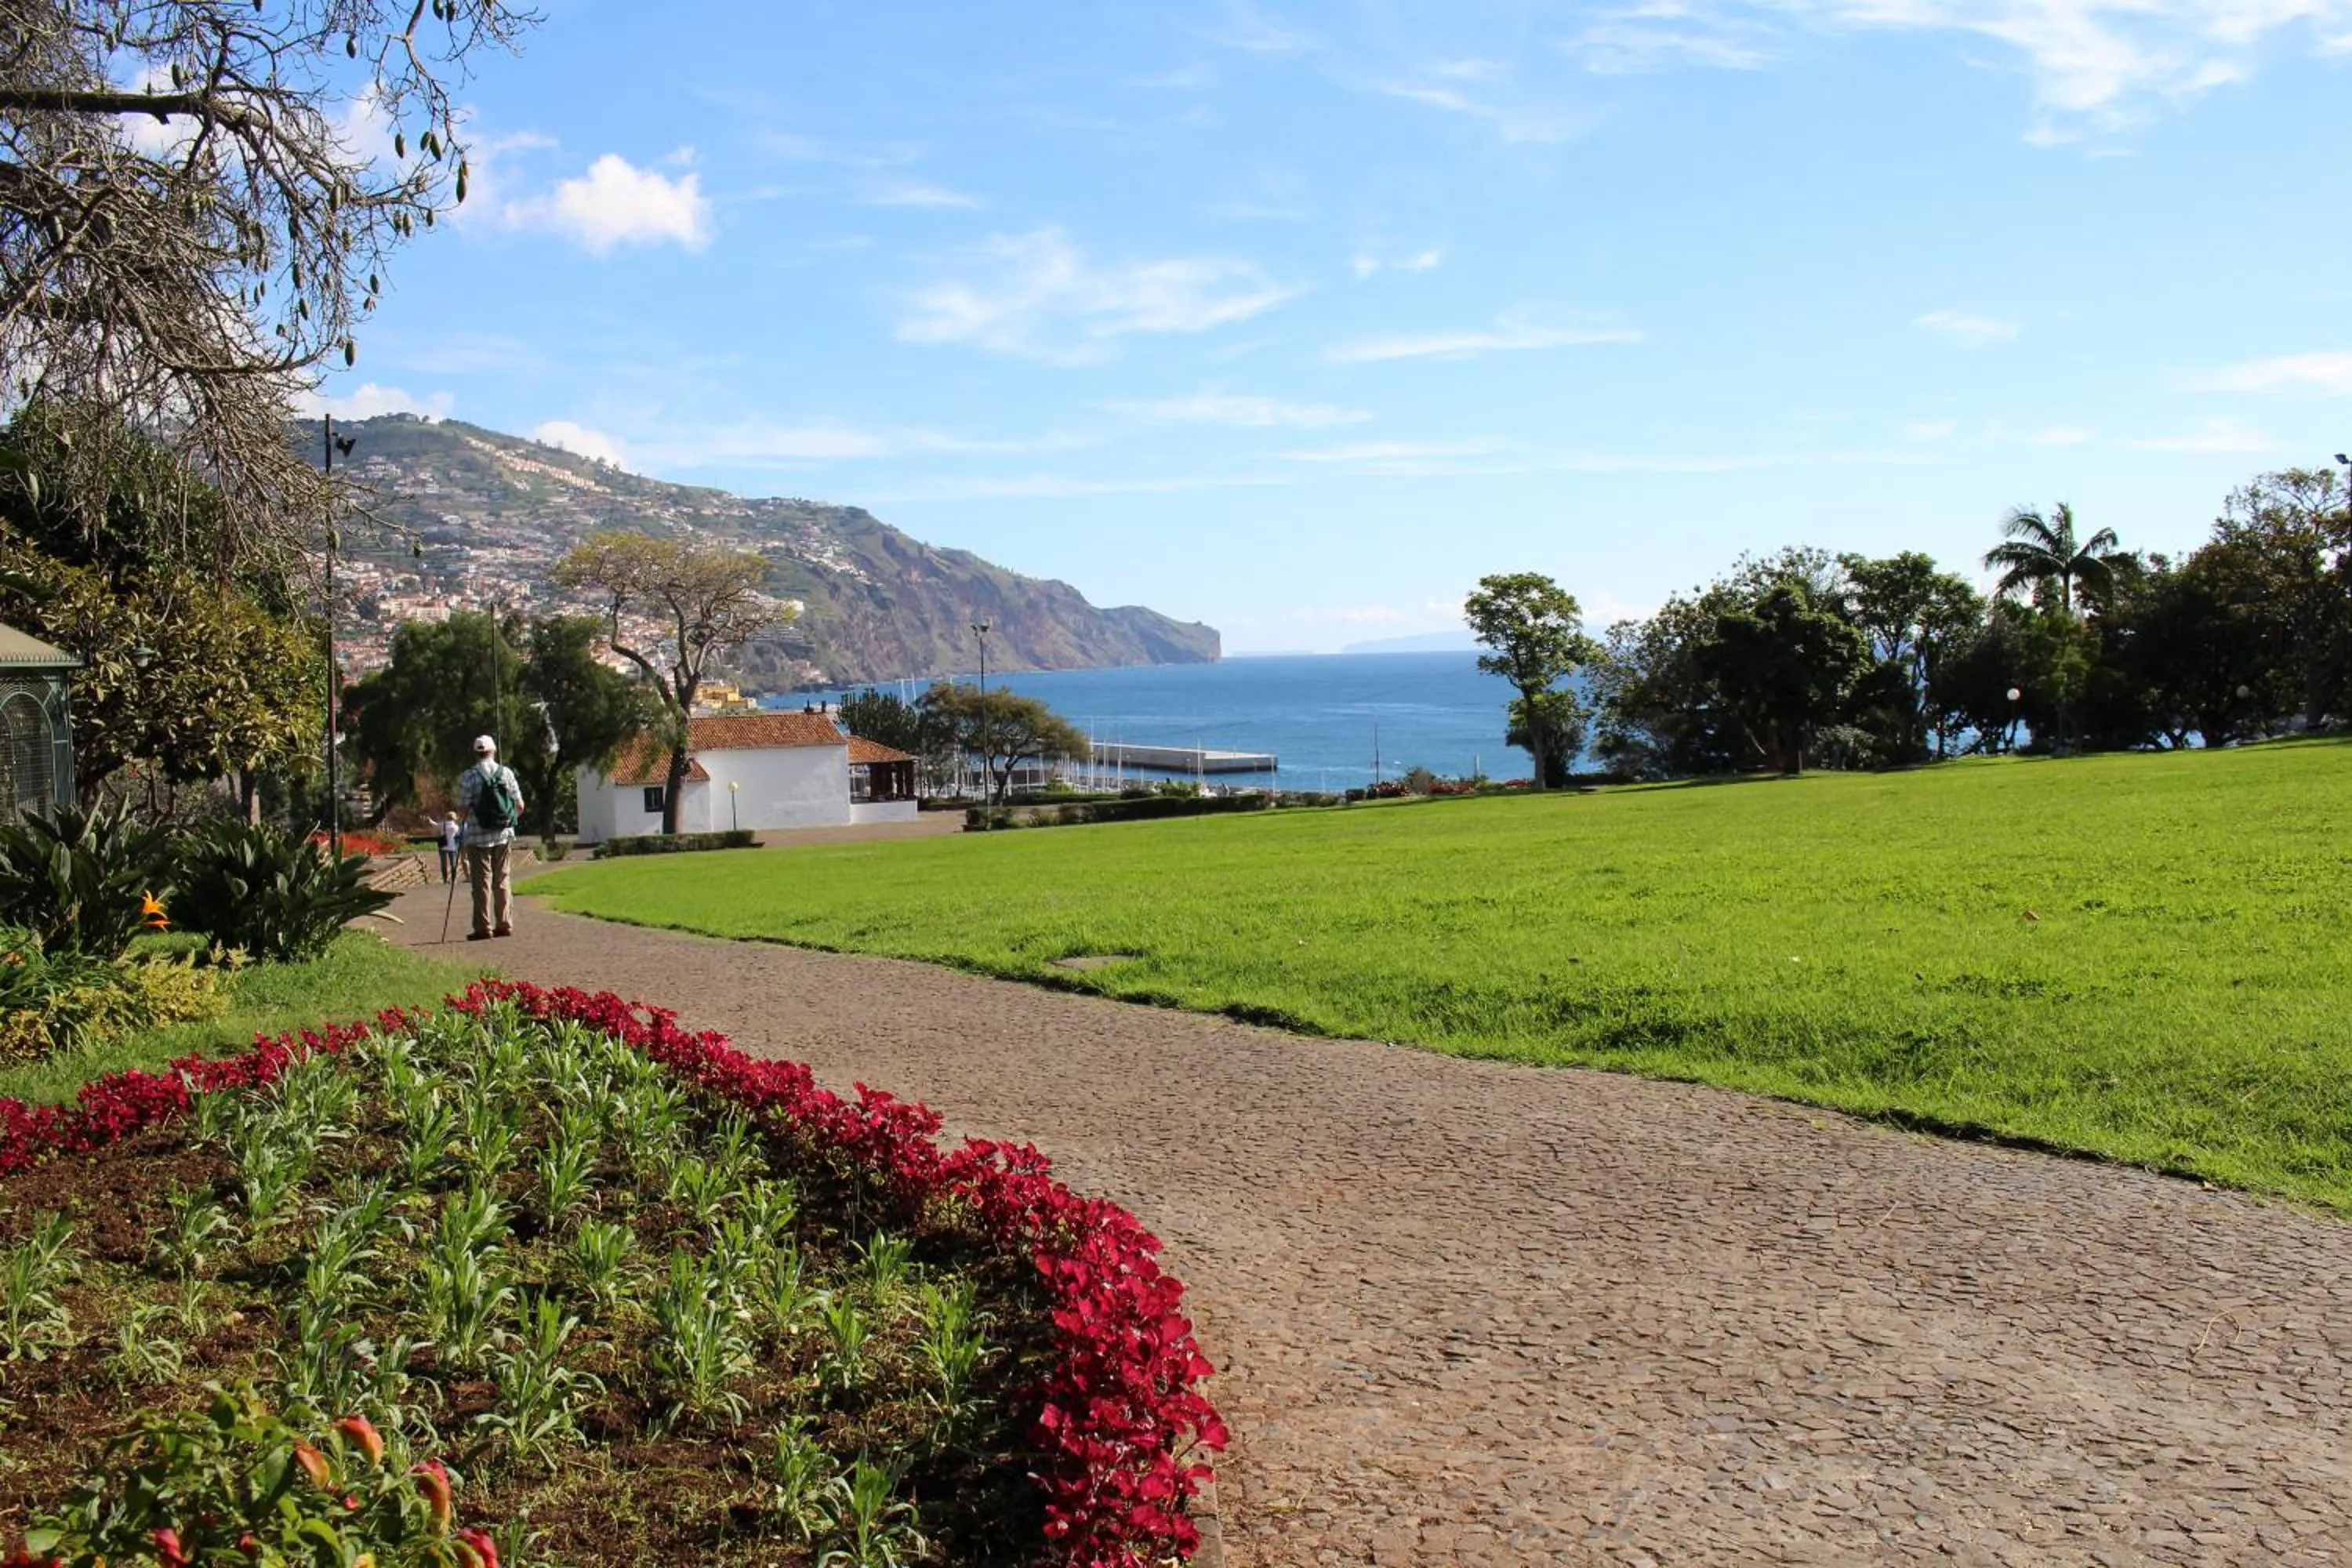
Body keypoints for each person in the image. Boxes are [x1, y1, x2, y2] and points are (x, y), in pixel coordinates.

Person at [456, 735, 526, 941]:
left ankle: (483, 927)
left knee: (481, 883)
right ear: (494, 751)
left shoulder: (468, 777)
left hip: (477, 838)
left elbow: (462, 811)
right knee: (502, 879)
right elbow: (520, 806)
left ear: (476, 753)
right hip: (503, 836)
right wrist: (505, 821)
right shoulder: (506, 773)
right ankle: (504, 924)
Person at [437, 813, 462, 884]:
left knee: (444, 864)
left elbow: (435, 825)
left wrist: (430, 820)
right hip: (452, 846)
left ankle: (445, 879)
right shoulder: (455, 827)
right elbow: (458, 834)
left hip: (443, 846)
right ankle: (454, 879)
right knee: (453, 864)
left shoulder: (442, 825)